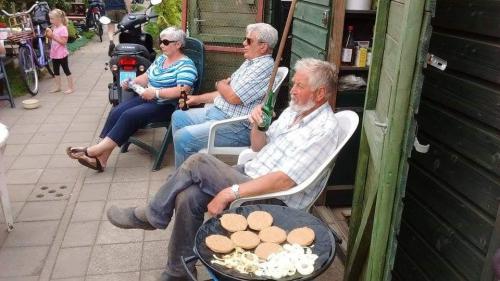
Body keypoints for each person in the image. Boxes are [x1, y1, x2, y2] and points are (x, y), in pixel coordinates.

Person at [106, 58, 339, 281]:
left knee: (198, 162)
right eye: (294, 83)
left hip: (275, 198)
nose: (292, 90)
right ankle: (178, 271)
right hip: (252, 171)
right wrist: (258, 126)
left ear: (320, 93)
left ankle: (152, 214)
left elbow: (285, 182)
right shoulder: (294, 112)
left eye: (300, 85)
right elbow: (259, 147)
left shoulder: (323, 130)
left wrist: (231, 192)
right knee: (188, 196)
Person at [66, 27, 197, 172]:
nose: (161, 45)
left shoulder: (186, 65)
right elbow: (147, 76)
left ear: (178, 44)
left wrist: (156, 93)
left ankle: (91, 151)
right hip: (148, 97)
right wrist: (132, 82)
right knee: (117, 110)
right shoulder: (162, 59)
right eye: (160, 41)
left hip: (167, 105)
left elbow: (182, 90)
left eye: (165, 42)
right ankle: (101, 159)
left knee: (129, 115)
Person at [171, 23, 277, 167]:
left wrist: (220, 84)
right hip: (219, 112)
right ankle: (189, 170)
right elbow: (226, 94)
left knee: (183, 138)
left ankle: (183, 179)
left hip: (236, 125)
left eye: (249, 40)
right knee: (178, 116)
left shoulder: (263, 67)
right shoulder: (250, 63)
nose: (244, 43)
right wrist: (198, 99)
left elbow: (233, 97)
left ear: (263, 46)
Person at [45, 9, 74, 94]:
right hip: (54, 53)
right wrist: (48, 35)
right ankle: (58, 86)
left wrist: (52, 36)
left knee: (66, 70)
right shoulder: (54, 28)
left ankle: (71, 87)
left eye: (52, 19)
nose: (51, 21)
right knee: (56, 71)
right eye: (50, 19)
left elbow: (63, 42)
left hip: (61, 54)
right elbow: (52, 39)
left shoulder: (63, 29)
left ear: (59, 19)